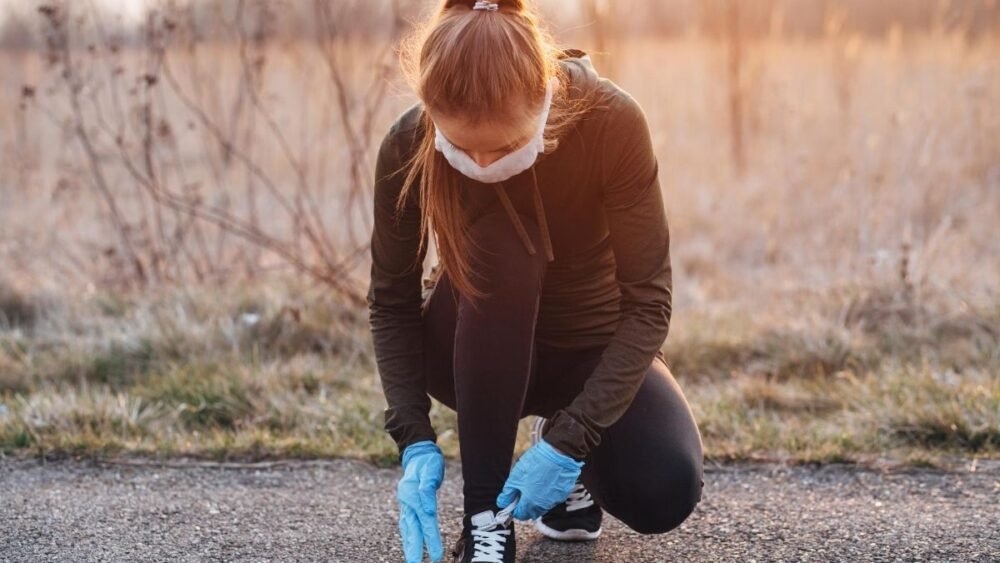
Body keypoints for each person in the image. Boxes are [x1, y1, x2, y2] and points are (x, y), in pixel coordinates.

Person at [366, 1, 705, 561]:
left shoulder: (610, 122)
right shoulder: (409, 144)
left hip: (589, 347)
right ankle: (486, 524)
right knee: (501, 247)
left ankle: (559, 454)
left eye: (500, 147)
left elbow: (650, 303)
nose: (479, 161)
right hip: (470, 348)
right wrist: (413, 439)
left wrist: (571, 441)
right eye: (461, 147)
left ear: (543, 97)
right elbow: (392, 302)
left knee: (664, 488)